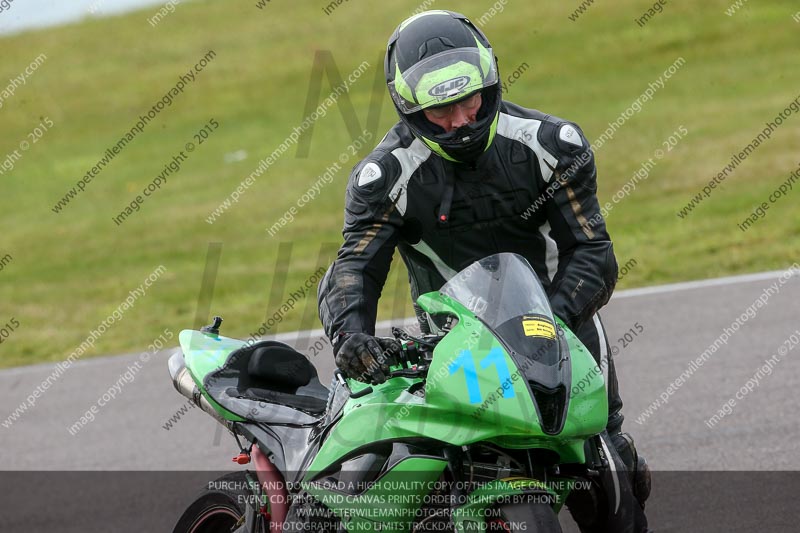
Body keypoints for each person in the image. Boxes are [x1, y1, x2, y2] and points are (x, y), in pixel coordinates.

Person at [317, 10, 651, 532]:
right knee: (419, 465)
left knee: (609, 468)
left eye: (469, 101)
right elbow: (354, 266)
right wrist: (350, 335)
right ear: (411, 109)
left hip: (559, 327)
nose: (460, 120)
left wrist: (552, 319)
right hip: (453, 344)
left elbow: (592, 252)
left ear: (490, 83)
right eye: (441, 111)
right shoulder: (383, 178)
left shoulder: (551, 145)